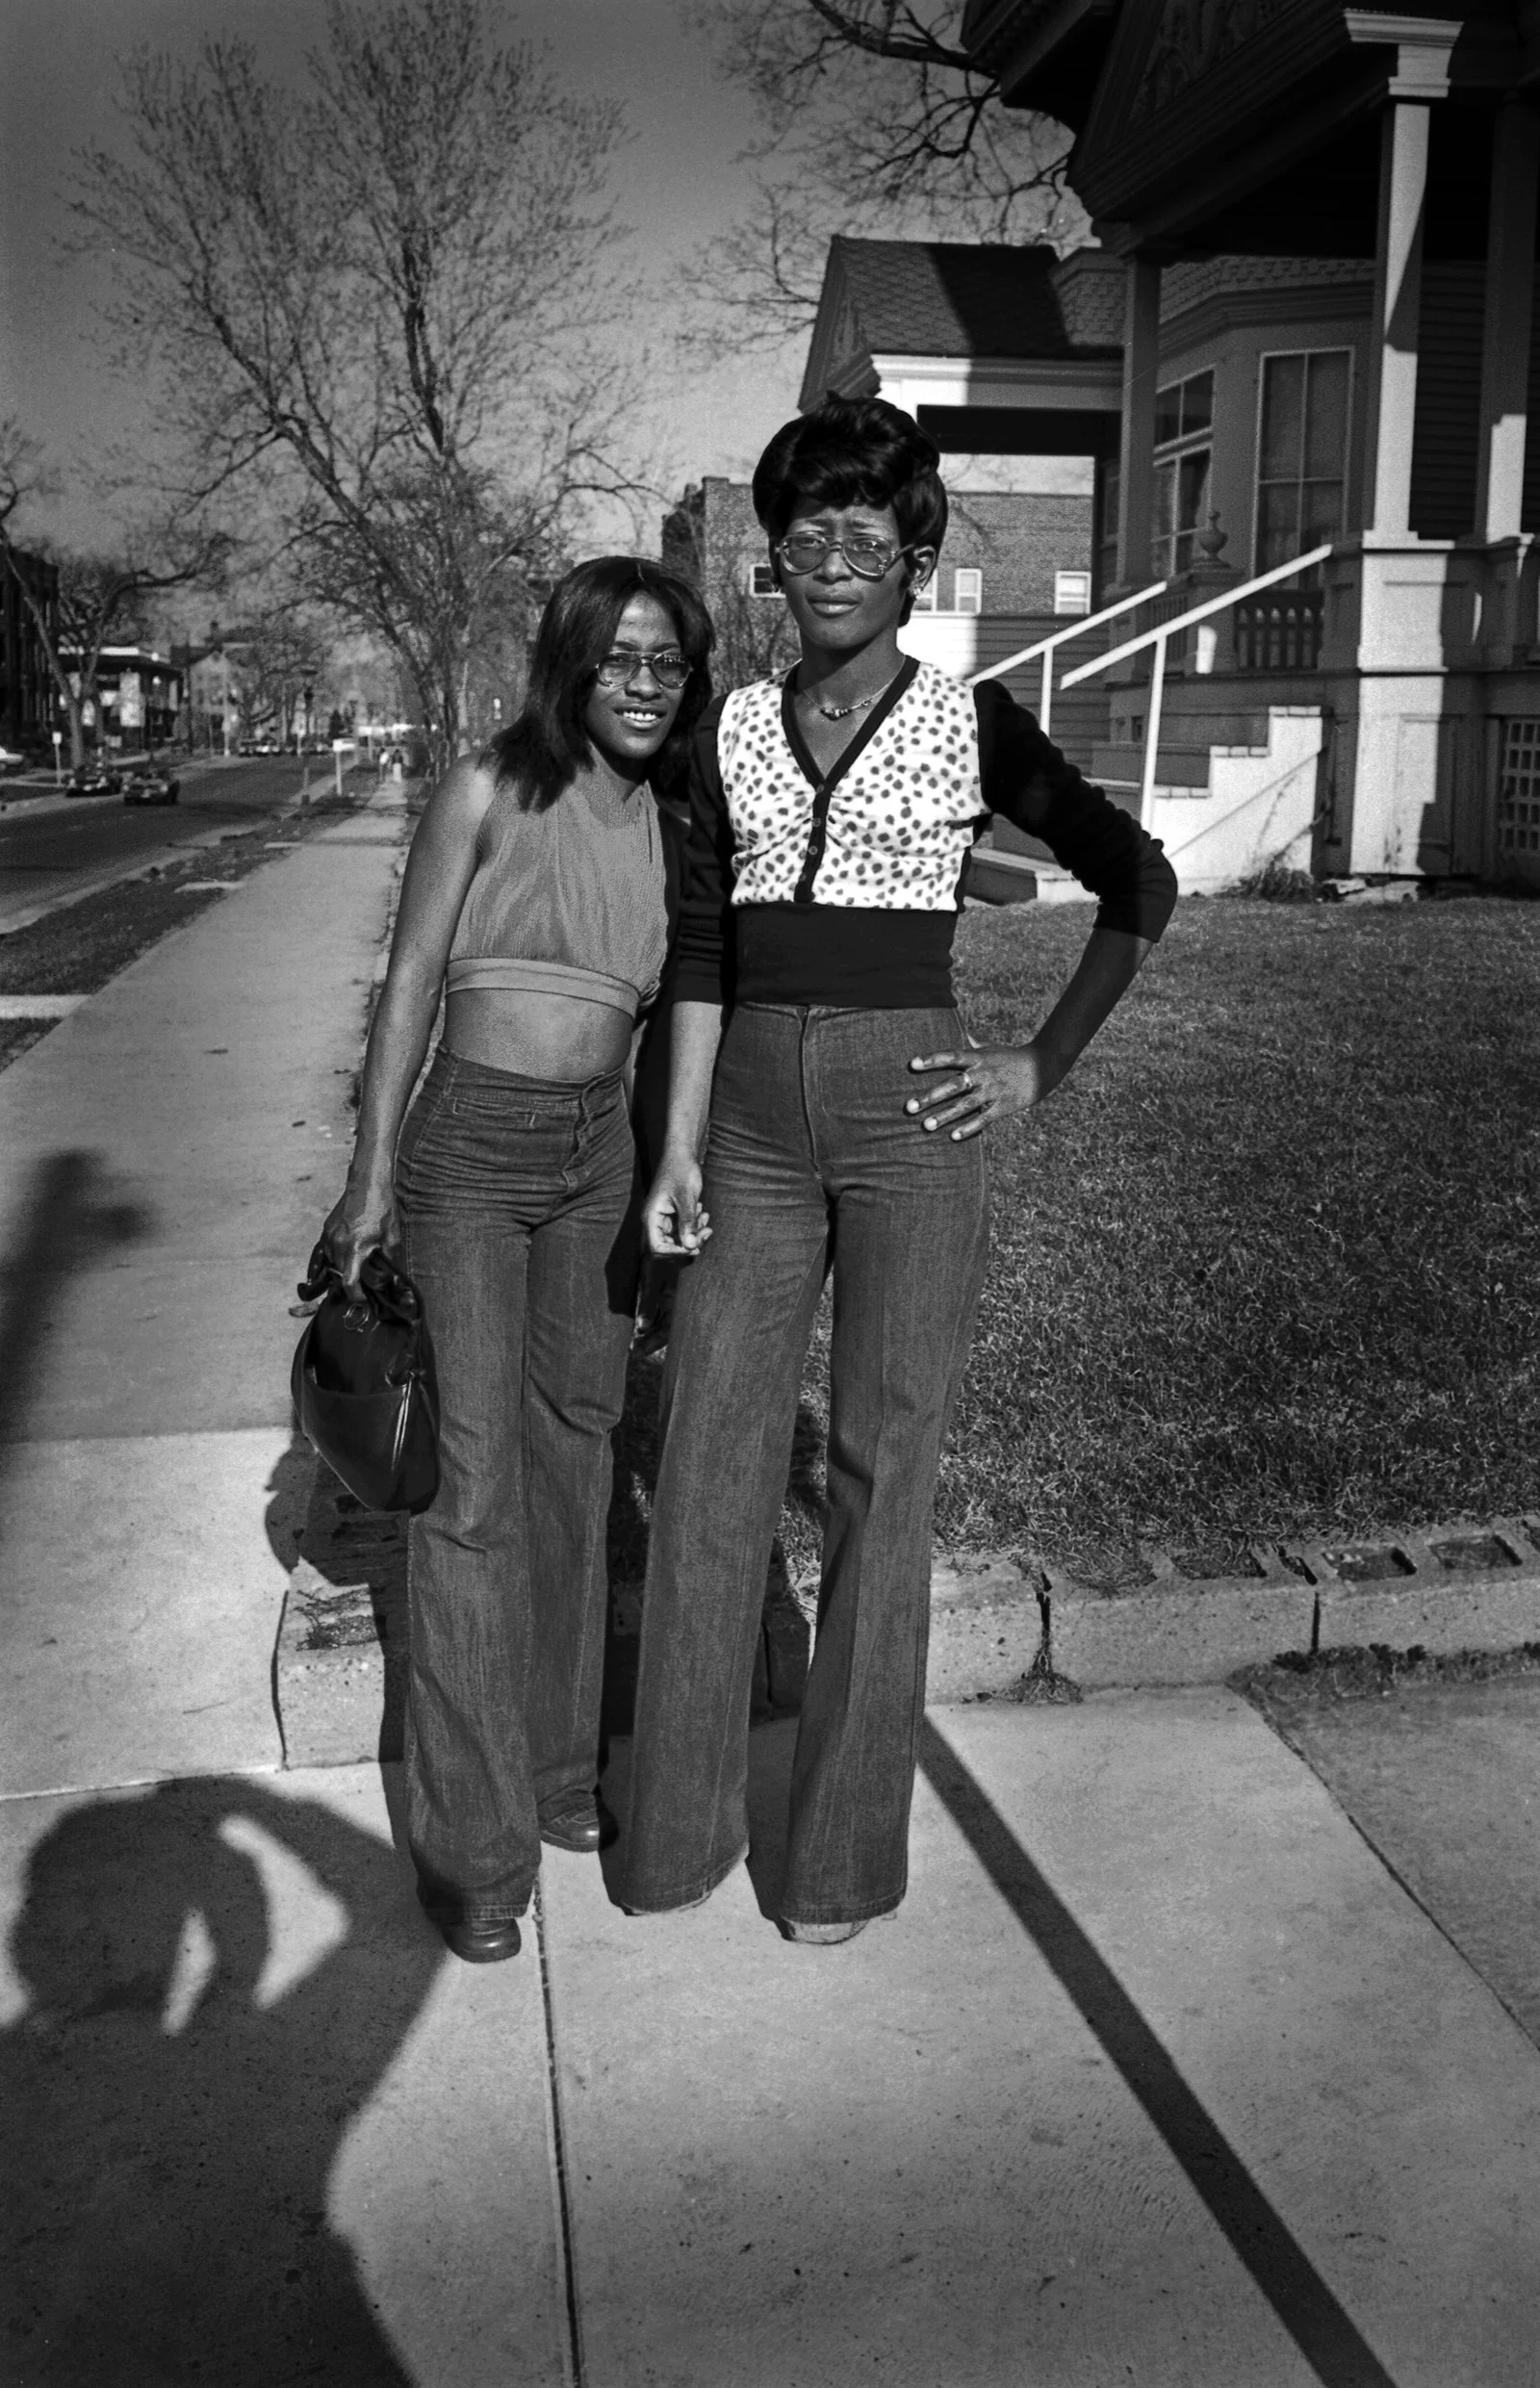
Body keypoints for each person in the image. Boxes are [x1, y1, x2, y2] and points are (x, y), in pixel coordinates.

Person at [620, 395, 1178, 1942]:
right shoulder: (726, 728)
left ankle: (840, 1863)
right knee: (713, 1454)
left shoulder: (975, 720)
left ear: (914, 558)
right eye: (808, 538)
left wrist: (1032, 1066)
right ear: (775, 563)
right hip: (742, 1116)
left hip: (911, 1116)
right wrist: (672, 1140)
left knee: (883, 1464)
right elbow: (703, 946)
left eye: (867, 535)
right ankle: (674, 1836)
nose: (836, 563)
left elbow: (1140, 879)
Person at [321, 556, 712, 1964]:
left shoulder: (677, 819)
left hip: (596, 1159)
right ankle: (476, 1856)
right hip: (471, 1158)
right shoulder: (486, 789)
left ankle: (556, 1777)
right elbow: (412, 979)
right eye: (622, 658)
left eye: (670, 662)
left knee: (578, 1461)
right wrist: (369, 1186)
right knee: (470, 1495)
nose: (647, 683)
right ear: (571, 664)